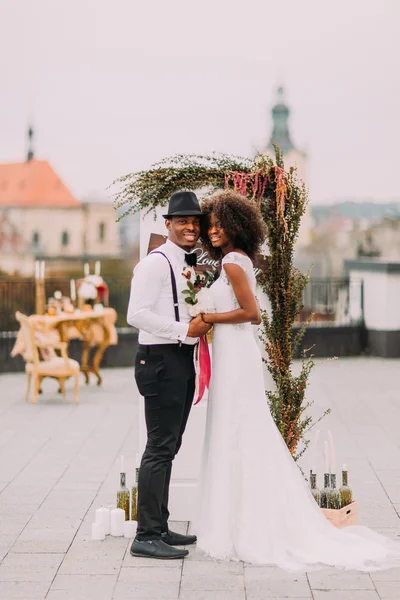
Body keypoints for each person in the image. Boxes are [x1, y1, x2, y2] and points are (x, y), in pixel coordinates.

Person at [195, 189, 400, 571]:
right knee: (236, 430)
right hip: (232, 355)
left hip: (236, 357)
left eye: (221, 223)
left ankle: (242, 523)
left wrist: (208, 318)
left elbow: (252, 314)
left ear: (237, 226)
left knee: (238, 429)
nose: (215, 230)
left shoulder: (233, 265)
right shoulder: (234, 260)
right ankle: (237, 517)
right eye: (211, 225)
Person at [127, 191, 211, 560]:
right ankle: (145, 535)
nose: (191, 227)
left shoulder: (186, 263)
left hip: (178, 360)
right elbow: (136, 314)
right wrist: (183, 330)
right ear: (168, 224)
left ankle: (159, 525)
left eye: (195, 221)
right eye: (183, 221)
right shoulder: (156, 264)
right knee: (159, 448)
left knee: (170, 446)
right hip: (159, 360)